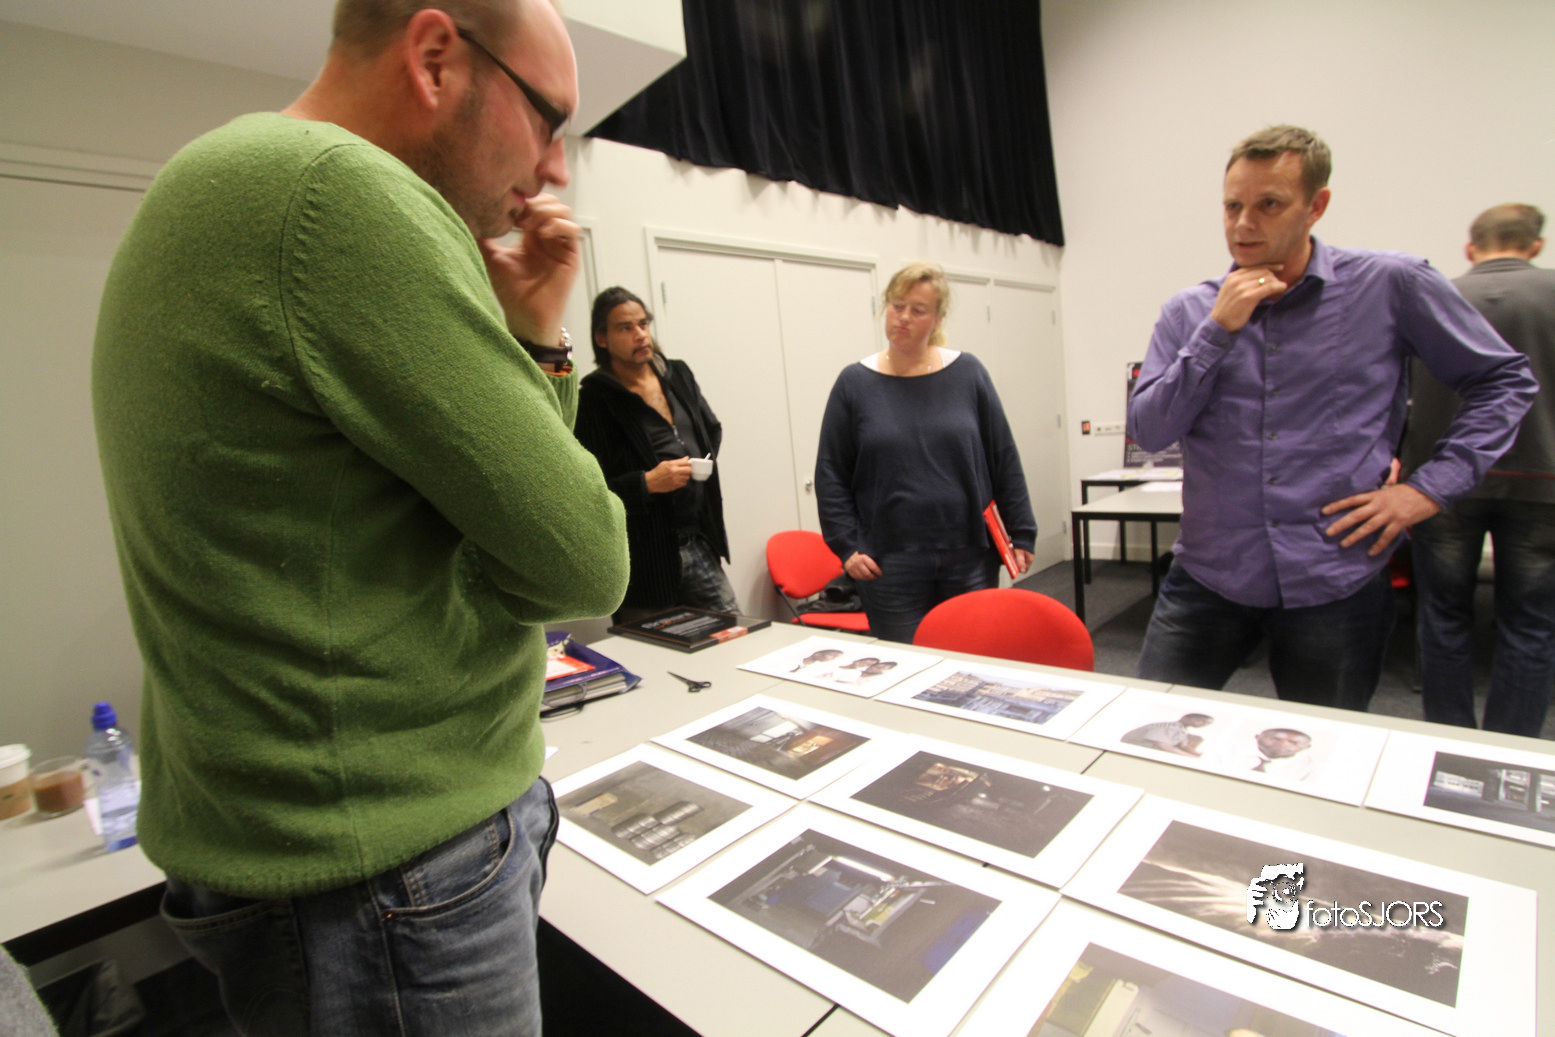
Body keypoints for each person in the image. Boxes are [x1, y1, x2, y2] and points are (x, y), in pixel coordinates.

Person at [90, 2, 628, 1033]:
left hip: (336, 858)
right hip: (388, 872)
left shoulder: (234, 180)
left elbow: (496, 536)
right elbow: (582, 563)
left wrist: (537, 341)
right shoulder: (337, 195)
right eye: (548, 117)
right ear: (434, 57)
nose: (554, 167)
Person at [1128, 125, 1536, 711]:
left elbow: (1503, 379)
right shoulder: (1190, 311)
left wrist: (1428, 489)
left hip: (1333, 576)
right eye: (1233, 206)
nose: (1244, 225)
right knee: (1150, 730)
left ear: (1316, 206)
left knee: (1323, 748)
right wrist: (1216, 332)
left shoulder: (1391, 285)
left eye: (1269, 205)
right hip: (1210, 574)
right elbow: (1150, 432)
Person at [814, 262, 1037, 643]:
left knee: (969, 658)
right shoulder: (855, 383)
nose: (903, 317)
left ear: (936, 319)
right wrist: (846, 546)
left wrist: (1022, 532)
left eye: (918, 310)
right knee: (906, 664)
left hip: (969, 554)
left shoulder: (968, 373)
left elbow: (1003, 456)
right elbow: (831, 472)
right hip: (888, 561)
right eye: (897, 305)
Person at [1402, 205, 1555, 737]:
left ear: (1472, 248)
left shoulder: (1436, 298)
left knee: (1441, 617)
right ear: (1536, 245)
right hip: (1543, 482)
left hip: (1442, 484)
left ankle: (1447, 739)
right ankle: (1511, 749)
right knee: (1531, 625)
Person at [575, 286, 738, 623]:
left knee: (732, 631)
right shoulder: (595, 399)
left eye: (643, 323)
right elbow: (588, 490)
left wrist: (700, 462)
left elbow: (711, 428)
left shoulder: (678, 374)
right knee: (649, 645)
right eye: (625, 328)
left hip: (698, 540)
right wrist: (646, 483)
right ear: (602, 339)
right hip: (643, 558)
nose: (640, 334)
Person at [1217, 727, 1315, 780]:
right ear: (1257, 737)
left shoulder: (1309, 767)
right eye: (1275, 739)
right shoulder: (1229, 749)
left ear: (1307, 747)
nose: (1283, 744)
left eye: (1294, 742)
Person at [1119, 713, 1214, 756]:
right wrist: (1191, 757)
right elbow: (1164, 746)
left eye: (1206, 724)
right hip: (1132, 749)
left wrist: (1198, 754)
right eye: (1200, 720)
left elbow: (1184, 745)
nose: (1202, 724)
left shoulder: (1183, 730)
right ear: (1185, 718)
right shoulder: (1170, 727)